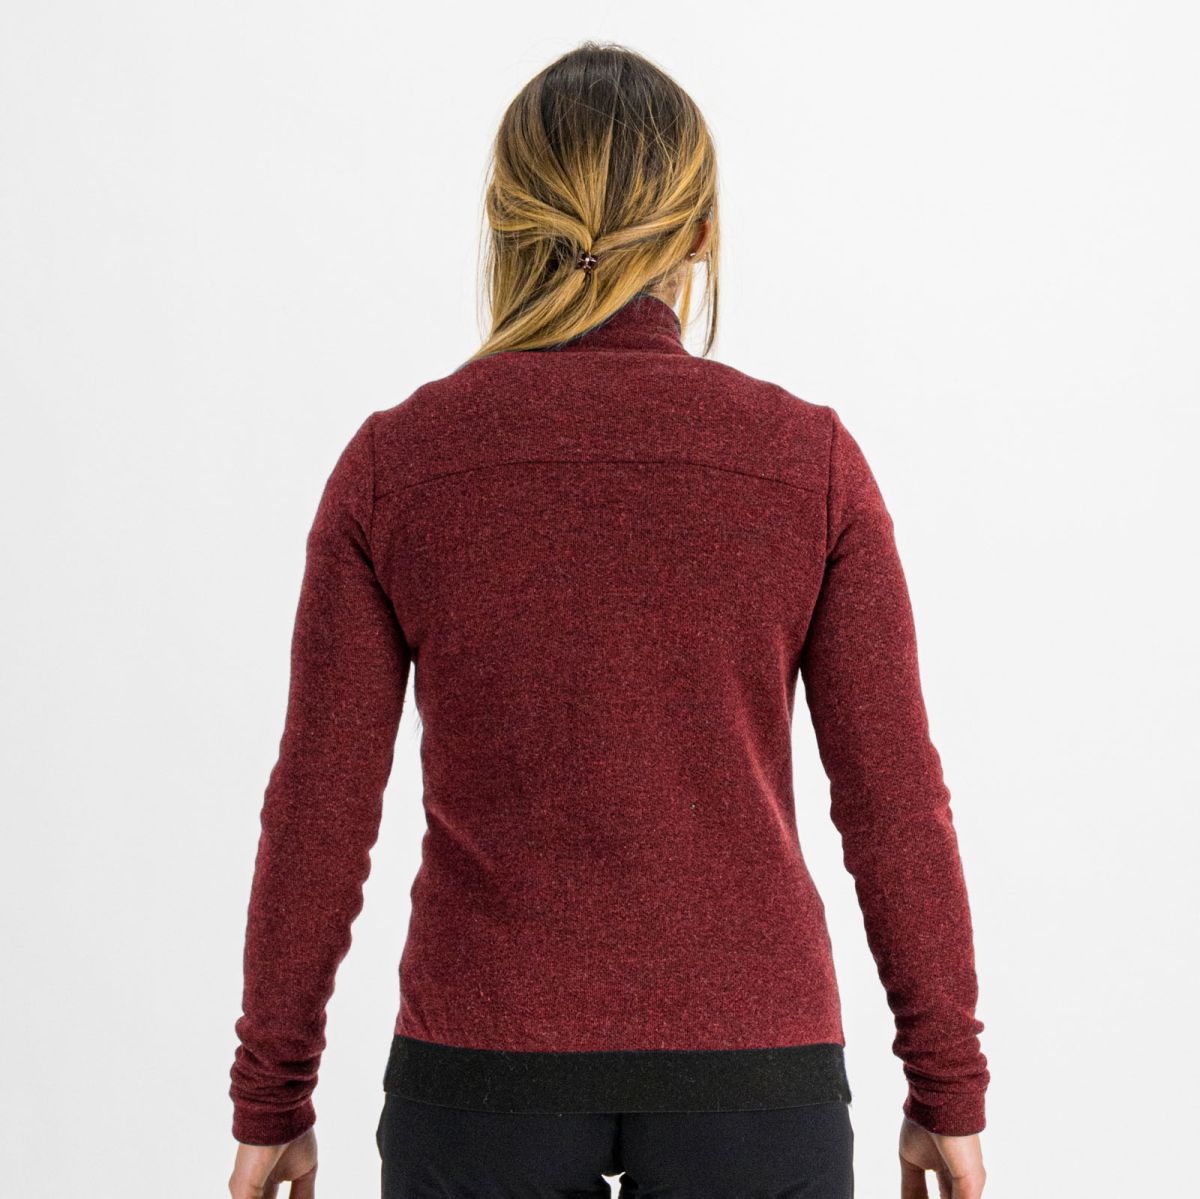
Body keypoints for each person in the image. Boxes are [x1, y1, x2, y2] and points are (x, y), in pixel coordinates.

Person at [227, 41, 989, 1199]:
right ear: (701, 234)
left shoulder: (398, 467)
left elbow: (317, 808)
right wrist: (947, 1087)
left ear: (506, 223)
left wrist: (272, 1097)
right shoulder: (808, 465)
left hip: (482, 1073)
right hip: (755, 1068)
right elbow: (894, 799)